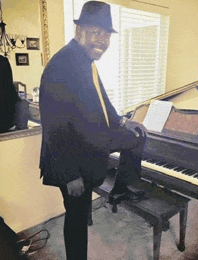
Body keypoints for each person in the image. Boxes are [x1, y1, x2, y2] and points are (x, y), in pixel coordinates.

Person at [39, 1, 147, 259]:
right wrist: (70, 175)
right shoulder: (61, 66)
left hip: (91, 140)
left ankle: (121, 187)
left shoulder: (86, 60)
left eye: (106, 34)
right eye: (96, 32)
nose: (102, 39)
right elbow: (54, 126)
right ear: (79, 32)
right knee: (76, 217)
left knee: (137, 135)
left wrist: (122, 121)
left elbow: (103, 98)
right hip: (71, 157)